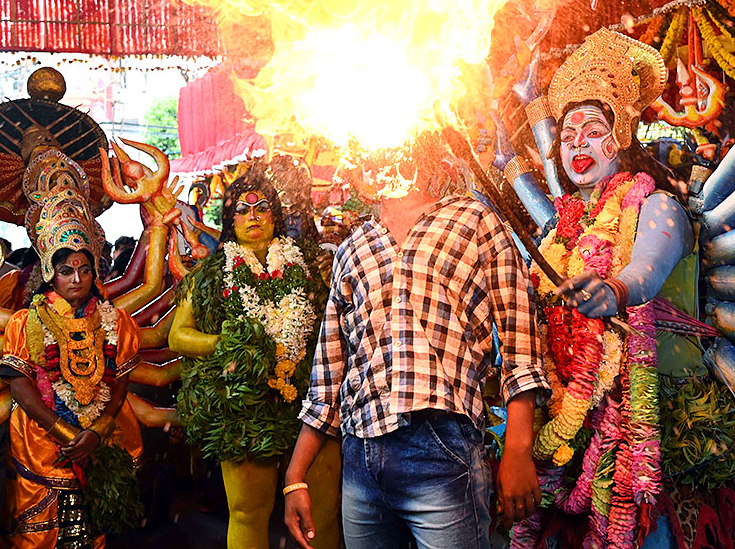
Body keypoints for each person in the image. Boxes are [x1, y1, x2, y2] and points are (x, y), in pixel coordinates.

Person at [283, 134, 549, 549]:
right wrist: (294, 477)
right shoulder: (353, 248)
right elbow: (329, 374)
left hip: (442, 446)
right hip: (361, 456)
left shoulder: (474, 221)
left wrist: (517, 449)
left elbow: (521, 344)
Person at [170, 172, 337, 549]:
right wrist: (229, 344)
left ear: (275, 215)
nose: (254, 216)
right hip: (244, 409)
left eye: (262, 207)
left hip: (310, 404)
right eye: (243, 210)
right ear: (230, 221)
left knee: (324, 511)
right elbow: (178, 336)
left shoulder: (312, 268)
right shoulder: (209, 274)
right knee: (247, 512)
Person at [0, 177, 143, 548]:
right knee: (40, 537)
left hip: (100, 438)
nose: (77, 278)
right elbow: (20, 385)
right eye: (66, 270)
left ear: (95, 272)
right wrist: (67, 434)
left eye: (85, 269)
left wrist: (97, 431)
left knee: (94, 532)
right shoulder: (25, 322)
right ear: (49, 272)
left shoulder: (116, 321)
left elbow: (120, 381)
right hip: (43, 443)